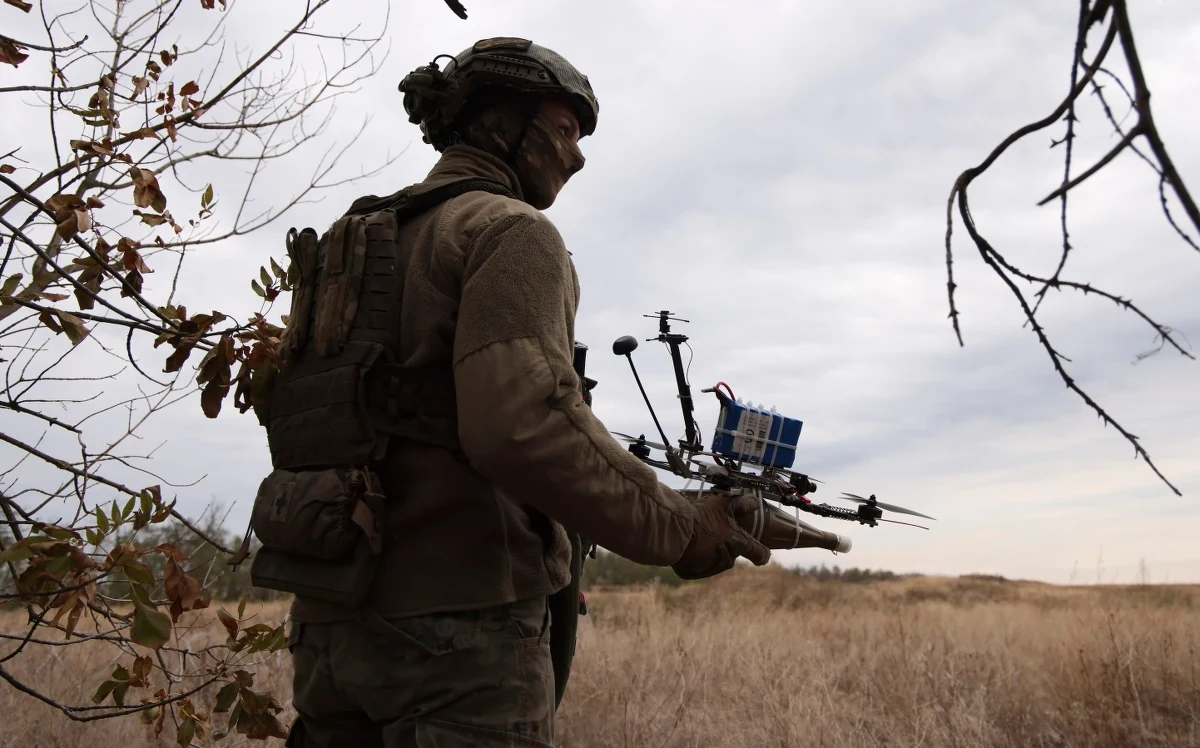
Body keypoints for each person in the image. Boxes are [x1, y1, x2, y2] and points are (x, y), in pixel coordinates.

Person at [261, 37, 771, 748]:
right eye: (565, 129)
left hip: (330, 626)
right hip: (462, 634)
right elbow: (523, 425)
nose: (579, 155)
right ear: (502, 123)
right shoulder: (510, 231)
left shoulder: (360, 239)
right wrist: (682, 527)